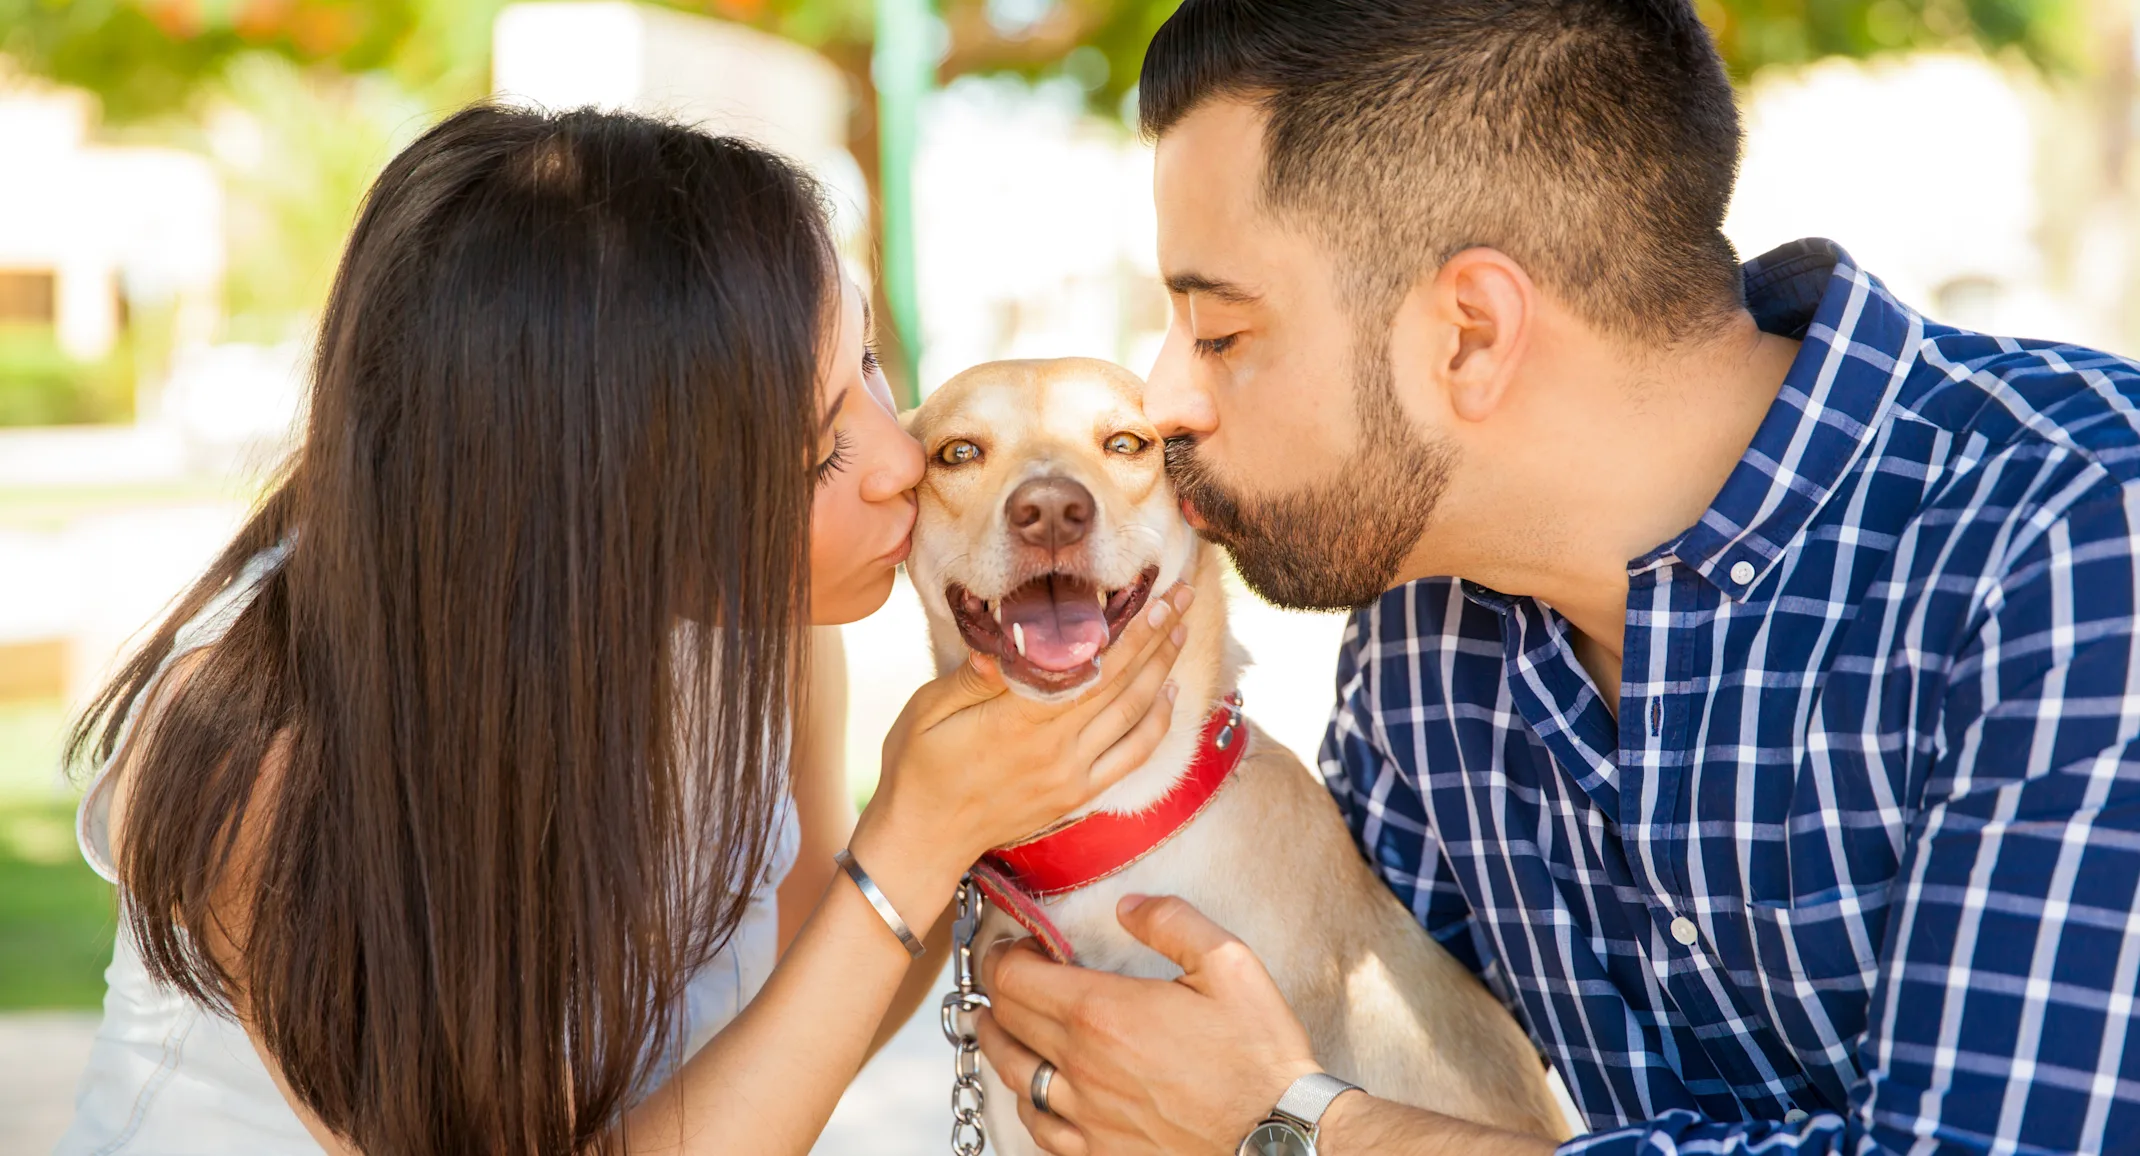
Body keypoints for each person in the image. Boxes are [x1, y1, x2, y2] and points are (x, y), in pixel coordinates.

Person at [976, 2, 2140, 1154]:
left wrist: (1295, 1129)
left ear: (1471, 334)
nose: (1166, 399)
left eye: (1221, 332)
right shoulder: (1427, 626)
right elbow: (1349, 1025)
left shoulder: (2074, 531)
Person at [56, 104, 1191, 1156]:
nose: (903, 461)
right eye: (818, 454)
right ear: (601, 505)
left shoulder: (760, 620)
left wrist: (993, 804)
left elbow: (806, 987)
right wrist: (915, 838)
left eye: (868, 363)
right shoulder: (264, 762)